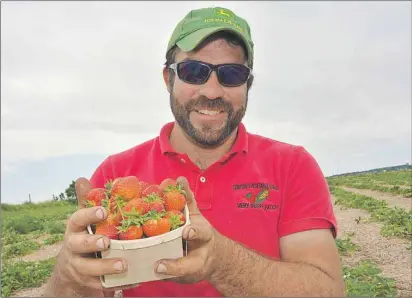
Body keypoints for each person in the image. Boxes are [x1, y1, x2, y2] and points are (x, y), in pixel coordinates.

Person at [43, 6, 346, 297]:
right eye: (193, 71)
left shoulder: (292, 166)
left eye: (231, 74)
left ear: (248, 84)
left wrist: (221, 263)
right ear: (168, 79)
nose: (212, 91)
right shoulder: (115, 174)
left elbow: (328, 291)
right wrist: (70, 278)